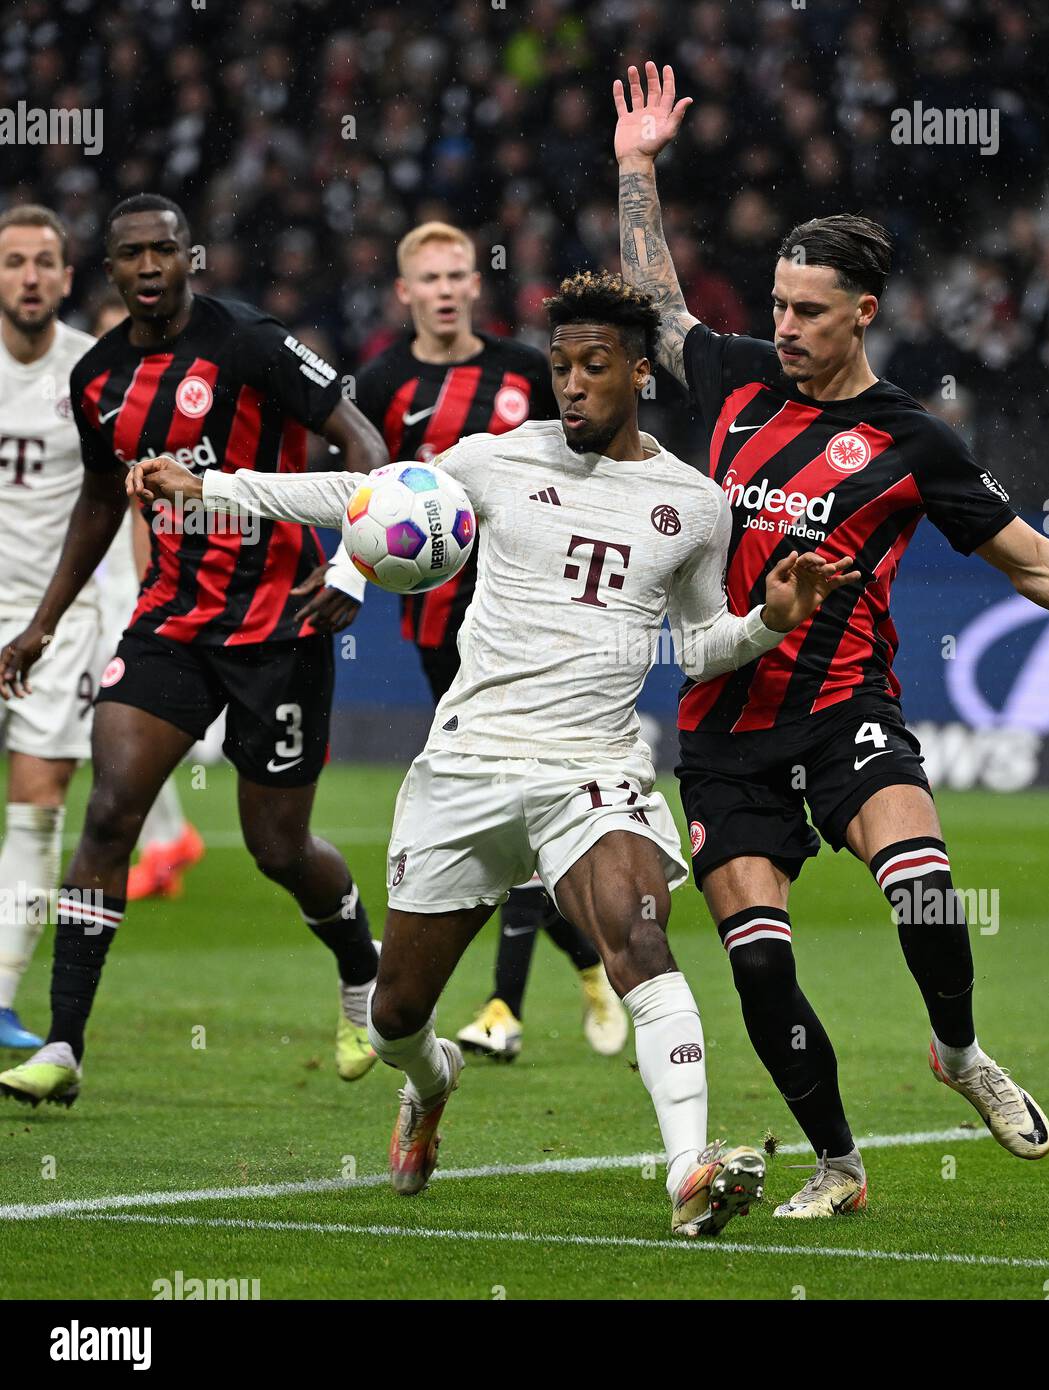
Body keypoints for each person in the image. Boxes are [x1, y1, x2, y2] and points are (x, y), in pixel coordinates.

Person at [614, 61, 1049, 1217]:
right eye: (776, 305)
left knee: (923, 886)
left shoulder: (909, 439)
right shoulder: (729, 379)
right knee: (760, 959)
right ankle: (837, 1161)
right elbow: (660, 311)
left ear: (862, 313)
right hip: (724, 721)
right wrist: (635, 167)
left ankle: (957, 1048)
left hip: (844, 706)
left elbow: (1033, 563)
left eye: (807, 311)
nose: (781, 328)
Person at [125, 270, 859, 1237]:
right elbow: (359, 491)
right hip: (469, 763)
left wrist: (768, 618)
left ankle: (689, 1169)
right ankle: (432, 1083)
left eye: (595, 367)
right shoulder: (495, 460)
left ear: (641, 373)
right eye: (560, 367)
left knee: (640, 942)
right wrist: (210, 484)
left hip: (590, 771)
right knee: (394, 1018)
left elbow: (702, 645)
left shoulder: (693, 504)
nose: (572, 385)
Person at [0, 194, 391, 1107]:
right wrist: (47, 620)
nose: (148, 267)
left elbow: (366, 445)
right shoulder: (97, 377)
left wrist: (354, 570)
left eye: (163, 251)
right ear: (110, 271)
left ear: (191, 257)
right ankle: (63, 1045)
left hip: (281, 622)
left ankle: (359, 970)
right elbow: (101, 500)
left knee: (278, 848)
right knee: (108, 816)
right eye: (130, 253)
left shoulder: (251, 342)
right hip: (171, 622)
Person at [355, 220, 624, 1061]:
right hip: (439, 624)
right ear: (405, 292)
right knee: (503, 812)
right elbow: (367, 498)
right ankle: (590, 969)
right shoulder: (382, 381)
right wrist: (342, 575)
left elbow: (582, 460)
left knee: (517, 798)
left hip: (530, 613)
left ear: (477, 283)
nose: (443, 288)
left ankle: (502, 1007)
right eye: (427, 276)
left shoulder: (522, 373)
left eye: (457, 273)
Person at [0, 207, 130, 1050]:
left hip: (56, 622)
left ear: (67, 274)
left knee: (39, 802)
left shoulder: (93, 369)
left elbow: (120, 492)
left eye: (45, 261)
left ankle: (2, 997)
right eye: (14, 263)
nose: (31, 276)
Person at [85, 289, 208, 903]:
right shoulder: (94, 396)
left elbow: (144, 507)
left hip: (117, 590)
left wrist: (141, 591)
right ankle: (167, 836)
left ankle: (164, 838)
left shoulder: (148, 408)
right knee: (104, 722)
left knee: (118, 718)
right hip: (94, 582)